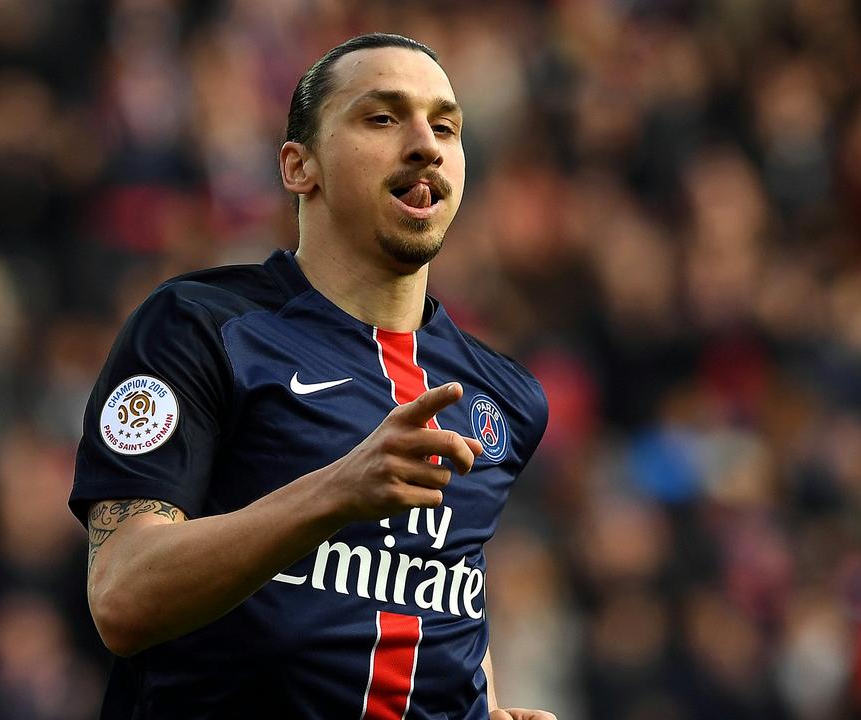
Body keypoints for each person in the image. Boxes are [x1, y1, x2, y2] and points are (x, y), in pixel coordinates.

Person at [69, 33, 554, 719]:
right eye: (382, 117)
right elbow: (122, 594)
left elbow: (439, 587)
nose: (425, 144)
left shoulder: (503, 396)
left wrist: (488, 707)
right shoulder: (200, 330)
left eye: (444, 125)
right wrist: (334, 491)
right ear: (300, 167)